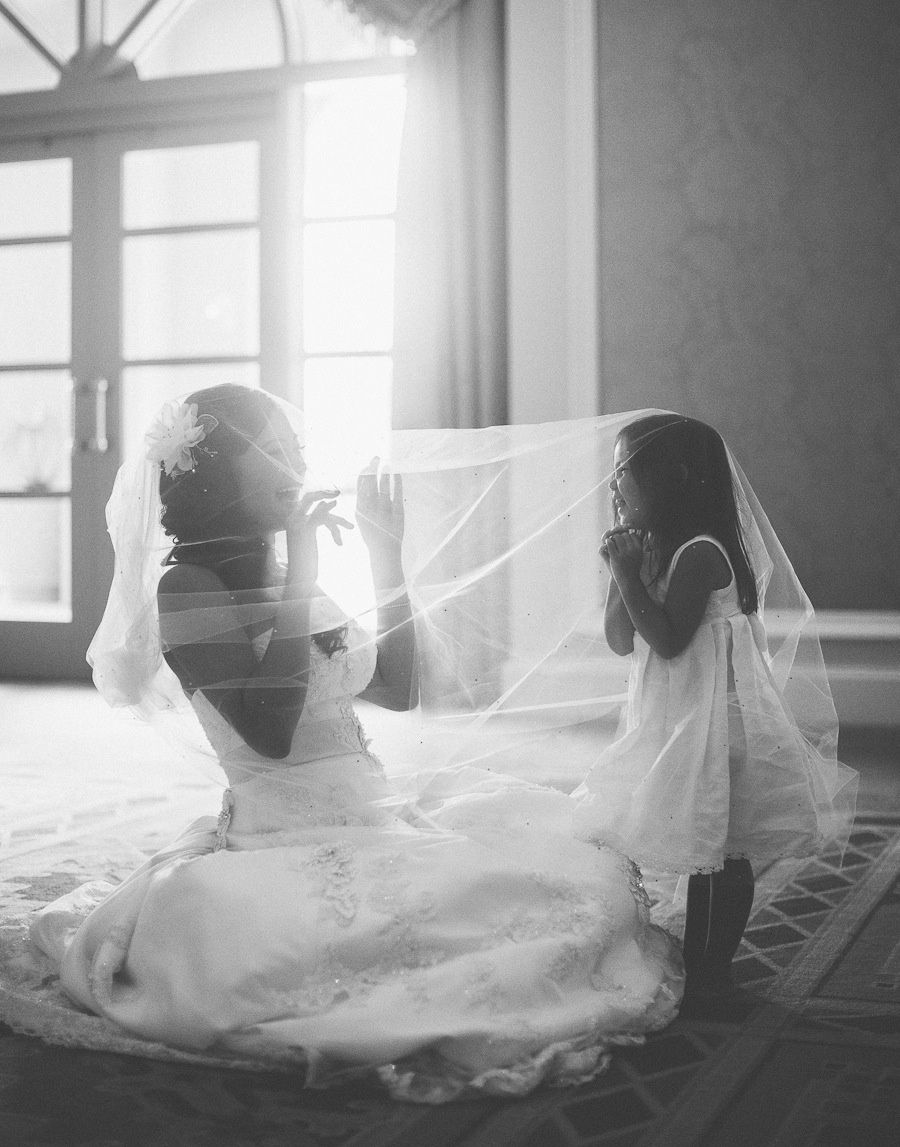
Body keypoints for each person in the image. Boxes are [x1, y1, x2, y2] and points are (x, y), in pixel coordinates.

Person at [20, 386, 683, 1103]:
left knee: (561, 881)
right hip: (278, 832)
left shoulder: (281, 572)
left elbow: (397, 686)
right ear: (218, 469)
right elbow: (270, 734)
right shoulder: (188, 585)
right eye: (275, 450)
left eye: (298, 450)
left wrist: (383, 554)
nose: (296, 465)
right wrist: (304, 568)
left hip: (375, 813)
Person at [571, 414, 858, 1010]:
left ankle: (712, 969)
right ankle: (699, 961)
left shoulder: (701, 552)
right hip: (676, 719)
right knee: (698, 837)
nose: (613, 483)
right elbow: (622, 640)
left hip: (716, 722)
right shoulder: (653, 546)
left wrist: (628, 574)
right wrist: (623, 574)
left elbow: (669, 639)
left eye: (625, 470)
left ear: (672, 477)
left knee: (721, 849)